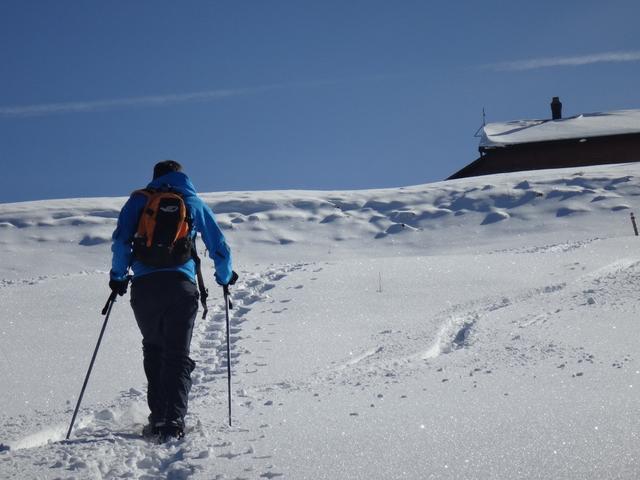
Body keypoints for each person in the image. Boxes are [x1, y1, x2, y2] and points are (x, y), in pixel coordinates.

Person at [109, 160, 237, 442]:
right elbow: (219, 245)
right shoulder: (192, 201)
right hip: (181, 287)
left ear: (154, 178)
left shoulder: (139, 201)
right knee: (177, 354)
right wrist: (225, 278)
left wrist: (118, 276)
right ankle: (173, 419)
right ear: (181, 175)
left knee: (154, 349)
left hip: (144, 289)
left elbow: (121, 242)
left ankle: (157, 418)